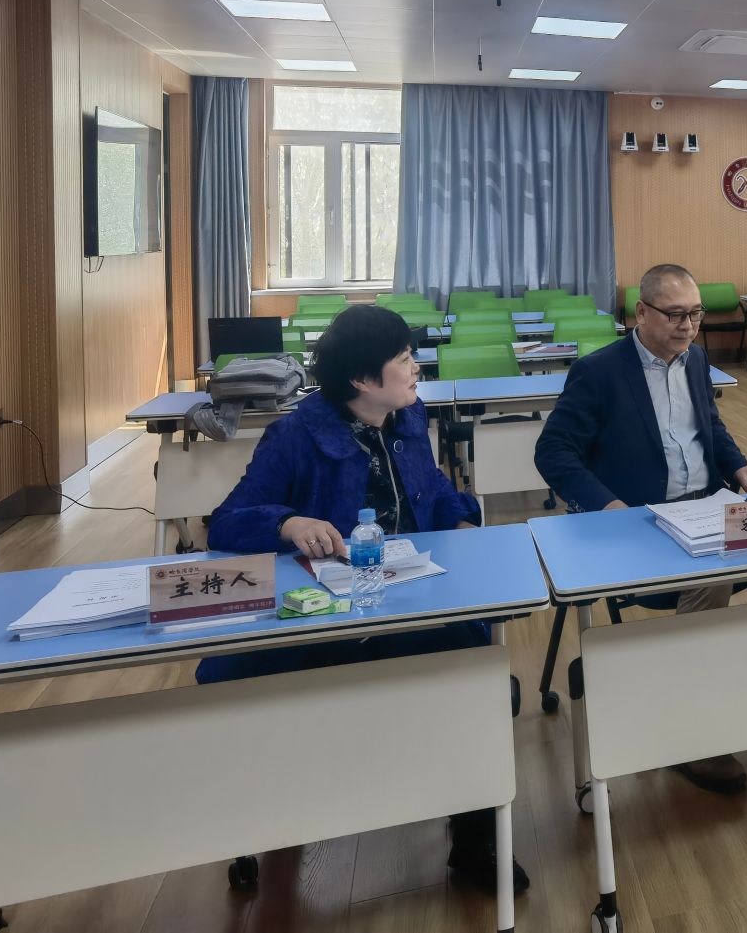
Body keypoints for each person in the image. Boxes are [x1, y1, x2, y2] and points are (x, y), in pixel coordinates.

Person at [202, 303, 523, 897]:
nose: (417, 367)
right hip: (325, 623)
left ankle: (475, 840)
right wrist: (289, 522)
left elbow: (433, 492)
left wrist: (463, 525)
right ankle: (280, 825)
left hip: (414, 600)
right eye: (404, 359)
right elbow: (226, 521)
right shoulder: (297, 435)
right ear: (361, 379)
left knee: (479, 682)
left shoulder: (407, 417)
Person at [534, 263, 747, 795]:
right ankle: (690, 732)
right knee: (711, 577)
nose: (688, 326)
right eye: (676, 315)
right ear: (641, 312)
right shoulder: (599, 372)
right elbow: (553, 452)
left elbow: (710, 428)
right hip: (644, 520)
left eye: (695, 315)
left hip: (709, 506)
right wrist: (608, 506)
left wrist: (738, 465)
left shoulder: (696, 360)